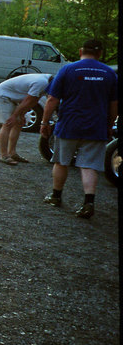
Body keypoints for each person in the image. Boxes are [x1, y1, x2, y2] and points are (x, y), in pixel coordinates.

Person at [41, 39, 118, 218]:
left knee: (61, 162)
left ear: (80, 51)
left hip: (69, 124)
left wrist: (44, 122)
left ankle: (56, 196)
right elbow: (114, 104)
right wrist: (109, 125)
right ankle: (88, 203)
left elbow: (52, 99)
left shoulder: (68, 69)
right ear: (100, 53)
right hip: (96, 127)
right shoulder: (109, 73)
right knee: (89, 166)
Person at [0, 72, 53, 165]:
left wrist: (22, 114)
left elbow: (34, 100)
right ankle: (4, 155)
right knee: (8, 124)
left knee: (19, 123)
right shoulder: (41, 82)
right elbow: (28, 100)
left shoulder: (47, 82)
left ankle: (12, 153)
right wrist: (14, 116)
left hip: (12, 98)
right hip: (1, 95)